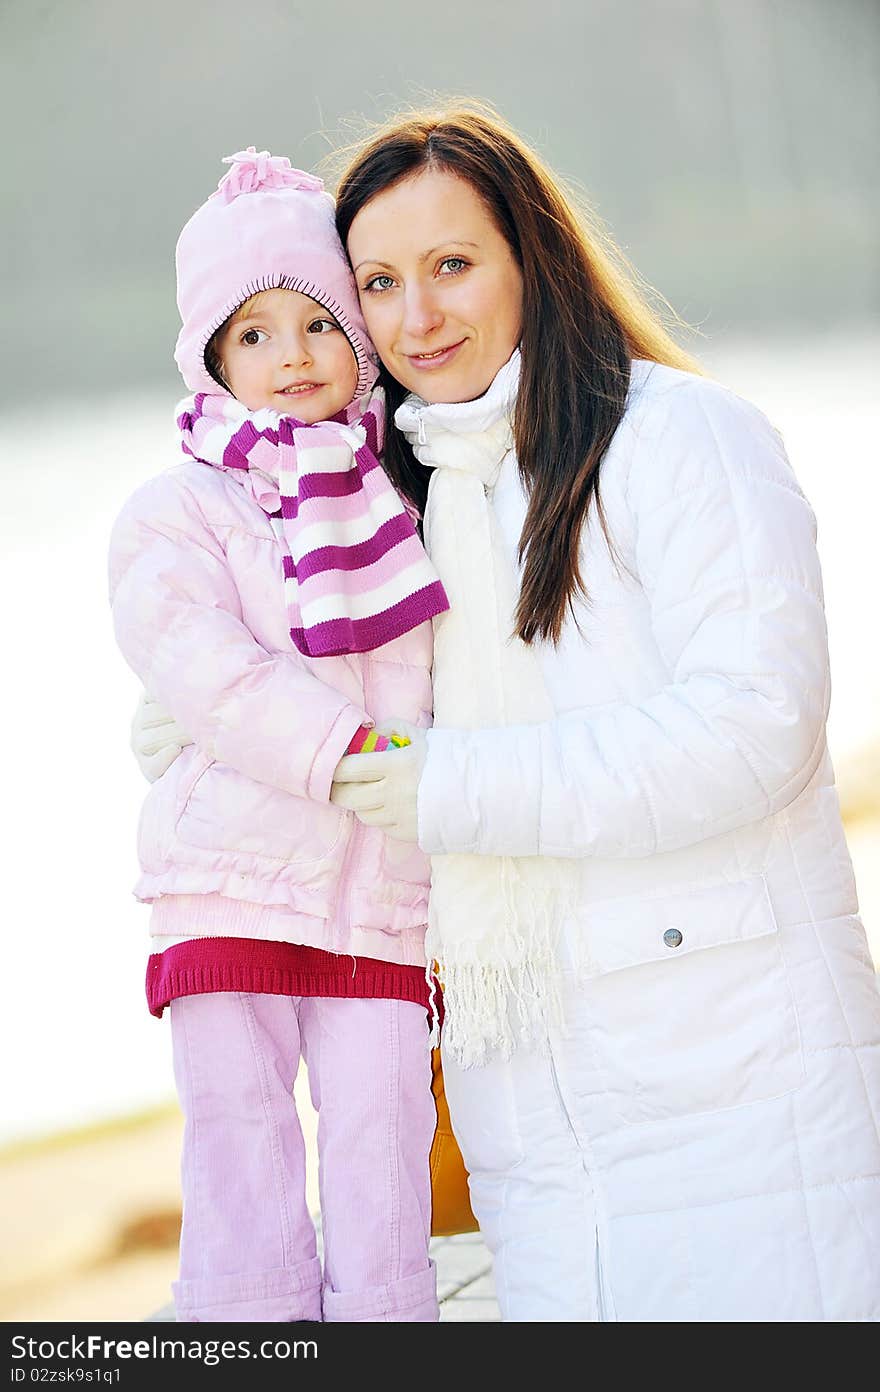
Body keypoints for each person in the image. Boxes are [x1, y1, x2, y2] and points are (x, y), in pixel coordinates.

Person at [134, 108, 880, 1322]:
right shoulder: (404, 500)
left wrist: (447, 783)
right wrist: (211, 710)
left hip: (736, 1076)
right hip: (529, 1115)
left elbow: (756, 726)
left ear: (531, 255)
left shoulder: (680, 437)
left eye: (451, 265)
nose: (416, 315)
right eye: (376, 282)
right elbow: (337, 675)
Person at [109, 147, 449, 1323]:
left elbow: (462, 668)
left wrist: (447, 780)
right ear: (209, 357)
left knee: (381, 1136)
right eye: (251, 335)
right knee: (239, 1140)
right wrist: (361, 757)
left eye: (314, 324)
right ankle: (245, 1336)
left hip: (382, 896)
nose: (289, 358)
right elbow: (209, 672)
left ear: (357, 335)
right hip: (231, 881)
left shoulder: (409, 495)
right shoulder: (178, 509)